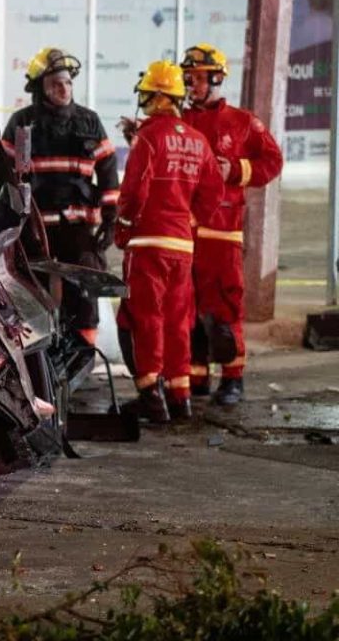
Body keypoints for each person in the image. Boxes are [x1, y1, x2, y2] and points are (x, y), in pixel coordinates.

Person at [114, 60, 224, 423]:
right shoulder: (196, 139)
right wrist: (189, 221)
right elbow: (214, 192)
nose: (143, 102)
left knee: (144, 318)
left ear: (161, 97)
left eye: (147, 95)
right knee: (178, 320)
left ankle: (151, 397)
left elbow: (134, 190)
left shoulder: (149, 136)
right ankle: (180, 398)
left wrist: (123, 228)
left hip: (148, 243)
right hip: (182, 246)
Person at [180, 44, 284, 407]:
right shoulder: (180, 121)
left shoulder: (241, 122)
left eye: (197, 78)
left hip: (222, 232)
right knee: (187, 308)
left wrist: (237, 170)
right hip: (184, 234)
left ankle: (233, 378)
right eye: (187, 78)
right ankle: (196, 378)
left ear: (217, 77)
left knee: (224, 307)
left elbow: (273, 160)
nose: (191, 85)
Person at [2, 48, 119, 346]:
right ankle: (38, 357)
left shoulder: (89, 121)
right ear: (40, 88)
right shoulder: (22, 123)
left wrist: (110, 218)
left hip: (77, 226)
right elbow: (3, 172)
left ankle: (84, 353)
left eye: (67, 82)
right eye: (55, 83)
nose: (63, 89)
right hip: (33, 226)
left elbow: (107, 172)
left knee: (83, 293)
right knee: (30, 291)